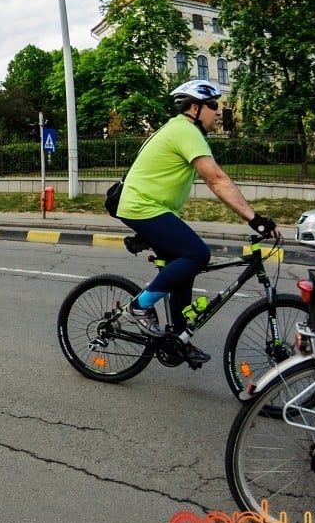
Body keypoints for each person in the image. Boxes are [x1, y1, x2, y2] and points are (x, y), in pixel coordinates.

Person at [115, 80, 280, 365]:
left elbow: (216, 180)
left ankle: (180, 338)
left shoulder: (180, 129)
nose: (218, 112)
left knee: (184, 268)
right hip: (142, 207)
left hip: (150, 207)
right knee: (198, 254)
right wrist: (255, 219)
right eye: (213, 105)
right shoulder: (186, 131)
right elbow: (216, 179)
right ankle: (139, 307)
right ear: (195, 108)